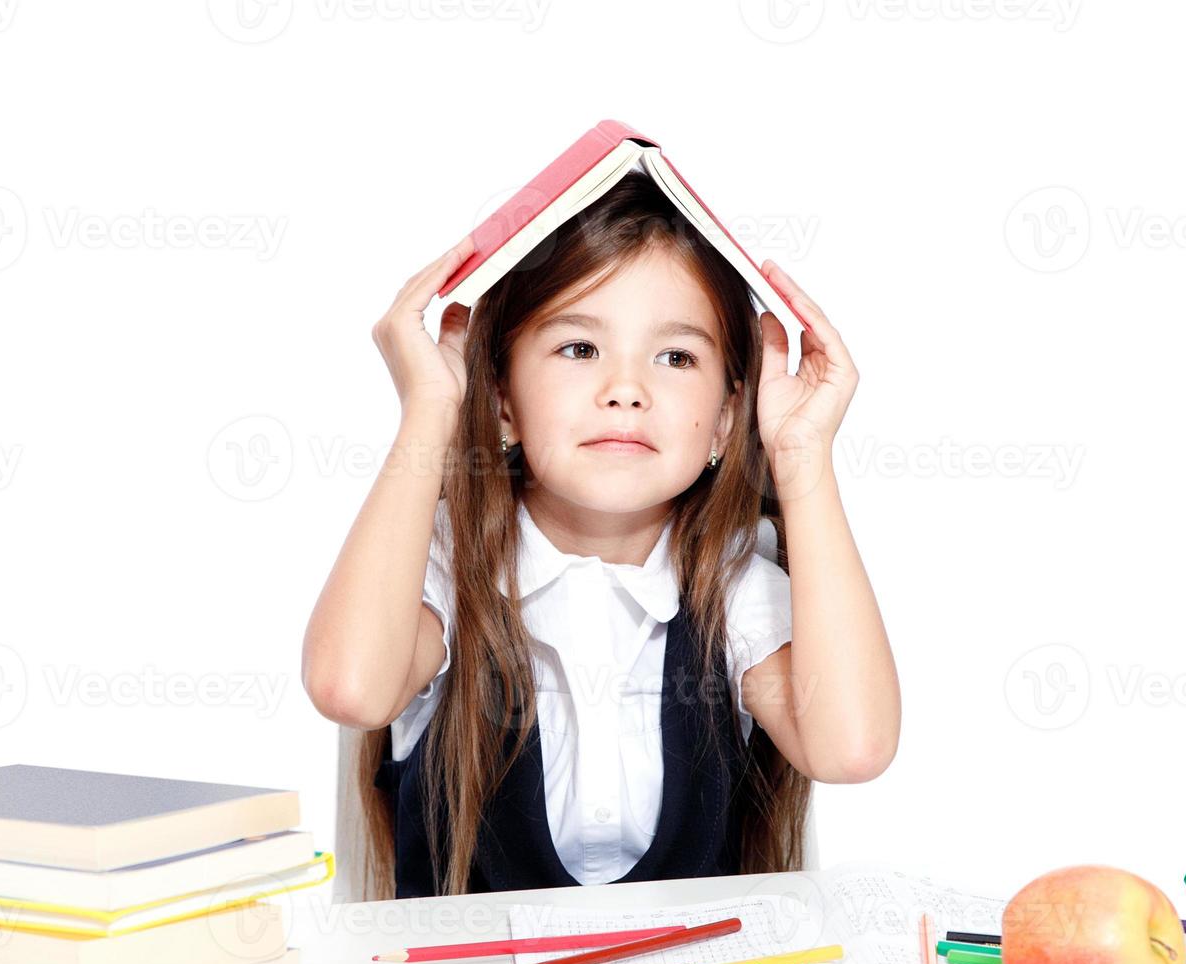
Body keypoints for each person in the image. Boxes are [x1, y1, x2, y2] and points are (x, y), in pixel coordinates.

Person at [303, 171, 900, 899]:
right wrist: (431, 409)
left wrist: (802, 455)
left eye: (676, 357)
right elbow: (351, 688)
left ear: (722, 420)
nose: (626, 388)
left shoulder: (731, 585)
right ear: (502, 401)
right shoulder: (444, 565)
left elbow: (853, 747)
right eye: (579, 349)